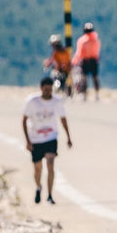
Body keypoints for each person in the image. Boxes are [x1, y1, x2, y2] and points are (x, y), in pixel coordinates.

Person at [22, 75, 72, 205]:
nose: (48, 92)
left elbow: (63, 119)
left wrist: (68, 137)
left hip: (51, 137)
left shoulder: (57, 101)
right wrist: (27, 140)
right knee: (37, 168)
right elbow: (24, 120)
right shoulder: (32, 101)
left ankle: (50, 195)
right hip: (35, 139)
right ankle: (38, 187)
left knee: (50, 163)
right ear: (41, 88)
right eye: (46, 90)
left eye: (50, 90)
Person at [74, 22, 102, 99]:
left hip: (87, 60)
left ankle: (88, 94)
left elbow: (78, 52)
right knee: (91, 78)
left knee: (87, 78)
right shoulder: (95, 39)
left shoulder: (83, 40)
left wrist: (75, 61)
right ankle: (92, 94)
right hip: (91, 60)